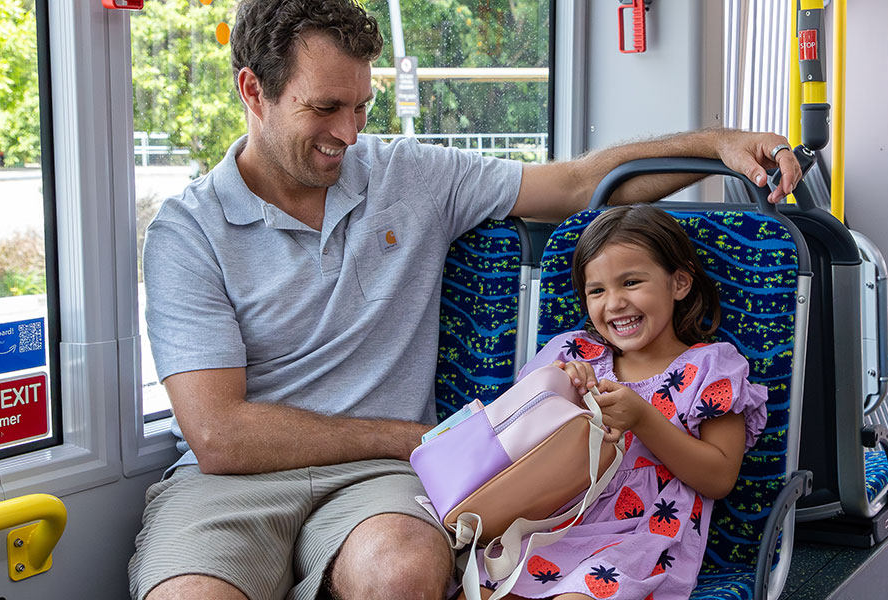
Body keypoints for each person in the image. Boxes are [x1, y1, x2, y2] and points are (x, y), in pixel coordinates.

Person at [128, 0, 801, 598]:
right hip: (234, 487)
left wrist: (714, 142)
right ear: (253, 90)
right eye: (325, 108)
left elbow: (575, 185)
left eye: (362, 106)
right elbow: (218, 435)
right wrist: (414, 437)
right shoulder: (187, 231)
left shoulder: (411, 175)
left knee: (401, 574)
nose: (352, 133)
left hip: (380, 481)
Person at [475, 206, 767, 600]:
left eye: (631, 282)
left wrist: (644, 420)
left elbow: (719, 478)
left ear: (679, 283)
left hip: (639, 540)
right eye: (597, 290)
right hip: (551, 524)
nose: (613, 303)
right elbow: (510, 437)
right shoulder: (571, 353)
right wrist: (557, 391)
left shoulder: (711, 368)